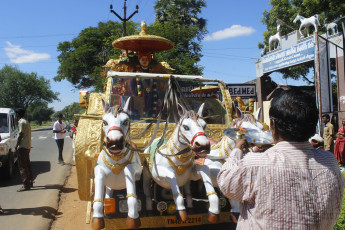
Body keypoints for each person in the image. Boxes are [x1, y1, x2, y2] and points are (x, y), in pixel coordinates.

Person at [217, 89, 344, 230]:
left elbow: (225, 183)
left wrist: (237, 150)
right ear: (313, 125)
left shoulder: (254, 163)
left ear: (274, 126)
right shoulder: (329, 161)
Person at [15, 108, 33, 192]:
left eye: (16, 114)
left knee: (22, 166)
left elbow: (20, 135)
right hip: (27, 146)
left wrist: (16, 146)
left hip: (22, 147)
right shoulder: (26, 121)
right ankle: (30, 181)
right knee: (27, 164)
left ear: (18, 114)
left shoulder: (21, 122)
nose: (15, 116)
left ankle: (26, 185)